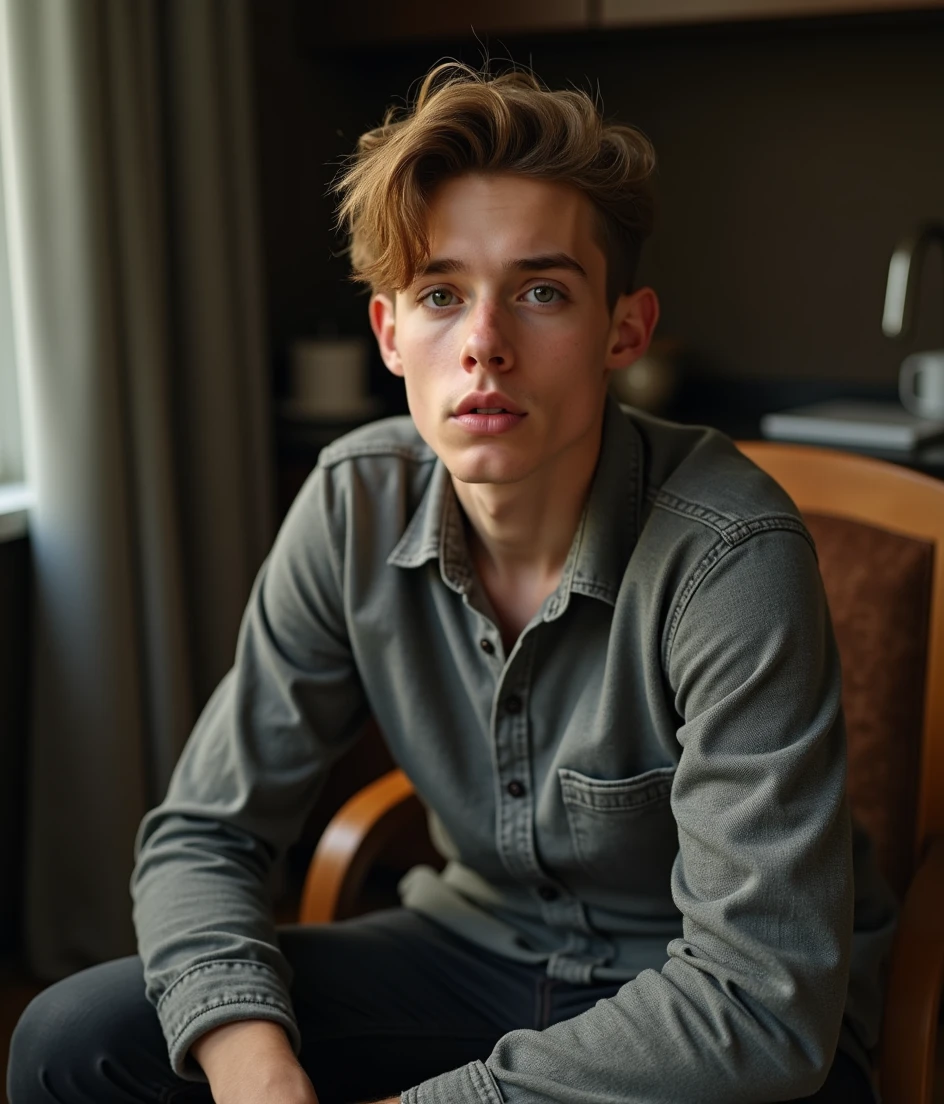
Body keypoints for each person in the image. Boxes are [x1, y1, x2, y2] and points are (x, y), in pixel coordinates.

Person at [8, 62, 897, 1104]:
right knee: (74, 1038)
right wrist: (258, 1075)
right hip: (471, 950)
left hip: (708, 1003)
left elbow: (759, 1002)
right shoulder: (350, 507)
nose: (482, 345)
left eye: (539, 291)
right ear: (389, 333)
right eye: (439, 293)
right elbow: (207, 831)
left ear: (624, 329)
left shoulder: (729, 552)